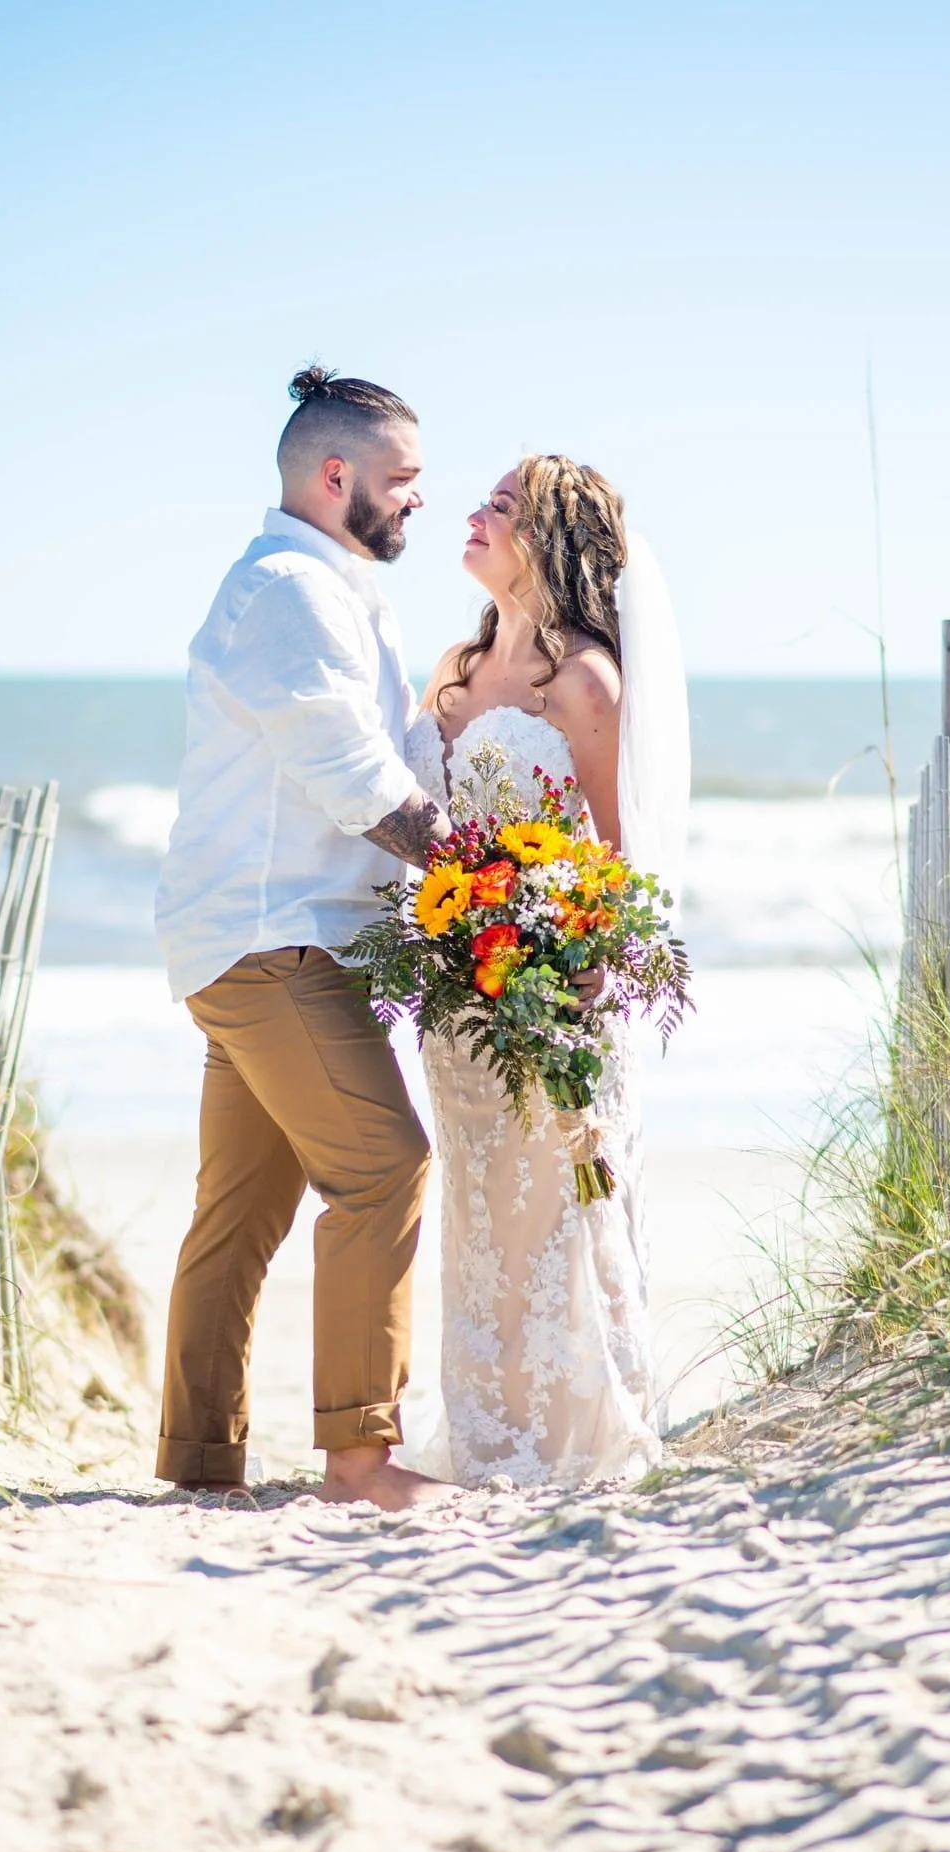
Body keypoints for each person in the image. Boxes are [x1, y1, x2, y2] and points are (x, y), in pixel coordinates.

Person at [154, 366, 455, 1509]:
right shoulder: (287, 587)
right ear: (336, 477)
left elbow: (388, 754)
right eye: (401, 480)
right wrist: (479, 880)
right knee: (384, 1168)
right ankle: (360, 1460)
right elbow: (351, 775)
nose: (415, 500)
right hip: (275, 942)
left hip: (252, 937)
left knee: (239, 1212)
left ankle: (198, 1461)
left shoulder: (327, 588)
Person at [404, 455, 690, 1487]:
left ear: (550, 540)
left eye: (498, 506)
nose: (471, 517)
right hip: (459, 995)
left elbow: (614, 855)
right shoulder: (454, 667)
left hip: (554, 987)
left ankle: (577, 1435)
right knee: (480, 1213)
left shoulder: (584, 681)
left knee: (560, 1205)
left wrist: (567, 962)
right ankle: (486, 1433)